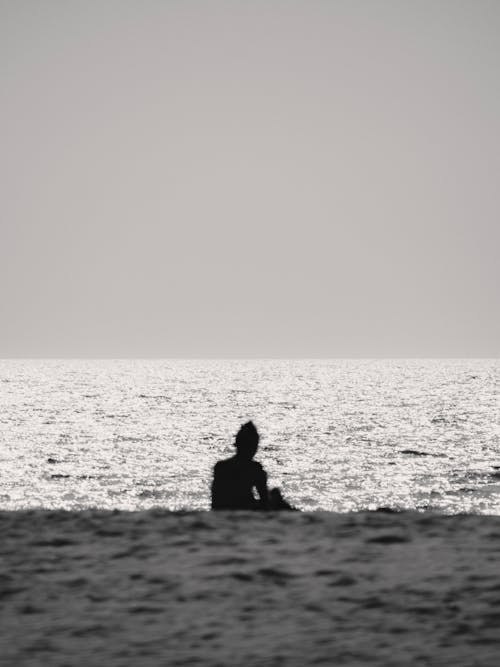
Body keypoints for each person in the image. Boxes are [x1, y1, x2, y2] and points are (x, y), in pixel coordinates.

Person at [211, 421, 297, 510]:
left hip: (226, 508)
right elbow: (265, 502)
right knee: (276, 496)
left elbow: (215, 502)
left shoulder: (220, 466)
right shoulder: (254, 469)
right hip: (245, 509)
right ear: (254, 446)